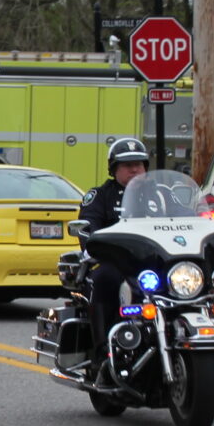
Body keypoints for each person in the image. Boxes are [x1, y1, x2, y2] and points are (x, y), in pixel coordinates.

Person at [74, 137, 151, 320]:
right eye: (127, 165)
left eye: (138, 164)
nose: (134, 169)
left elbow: (186, 216)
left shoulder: (161, 193)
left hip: (155, 260)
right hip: (117, 261)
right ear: (114, 169)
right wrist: (96, 248)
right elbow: (87, 226)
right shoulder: (100, 196)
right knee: (104, 278)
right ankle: (103, 342)